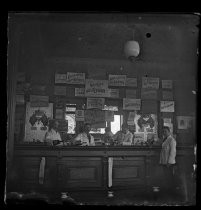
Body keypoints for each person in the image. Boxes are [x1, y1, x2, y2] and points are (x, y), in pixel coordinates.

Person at [159, 126, 177, 193]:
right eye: (163, 131)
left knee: (169, 178)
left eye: (165, 131)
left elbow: (173, 152)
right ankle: (168, 191)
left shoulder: (171, 140)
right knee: (166, 178)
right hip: (164, 162)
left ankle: (171, 192)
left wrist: (169, 162)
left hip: (169, 163)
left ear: (169, 132)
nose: (164, 133)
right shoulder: (165, 140)